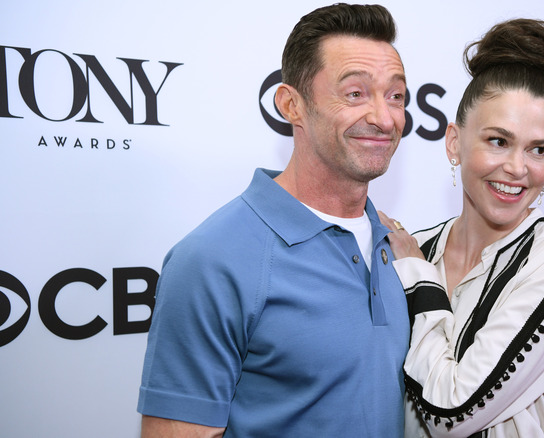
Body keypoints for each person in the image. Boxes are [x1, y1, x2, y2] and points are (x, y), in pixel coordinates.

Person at [137, 4, 410, 437]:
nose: (384, 117)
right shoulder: (213, 259)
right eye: (355, 93)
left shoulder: (400, 248)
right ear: (292, 105)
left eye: (396, 96)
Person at [379, 19, 544, 437]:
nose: (518, 168)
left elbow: (451, 413)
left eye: (539, 149)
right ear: (454, 142)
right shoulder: (416, 248)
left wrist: (419, 280)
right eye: (498, 140)